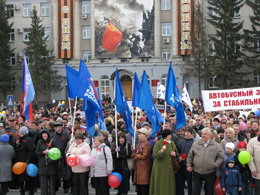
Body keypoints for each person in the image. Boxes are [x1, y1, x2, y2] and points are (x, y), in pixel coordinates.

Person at [186, 127, 224, 195]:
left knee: (209, 191)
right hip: (197, 171)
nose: (203, 135)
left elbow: (220, 157)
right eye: (202, 134)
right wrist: (188, 165)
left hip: (210, 172)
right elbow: (190, 155)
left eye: (205, 134)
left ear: (210, 135)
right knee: (195, 191)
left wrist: (215, 164)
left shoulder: (216, 146)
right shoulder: (195, 144)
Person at [149, 129, 179, 195]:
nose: (170, 136)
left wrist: (175, 154)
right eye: (169, 135)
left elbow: (177, 153)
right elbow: (155, 155)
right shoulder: (158, 143)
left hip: (169, 167)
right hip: (160, 167)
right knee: (161, 183)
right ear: (165, 136)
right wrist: (162, 151)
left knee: (169, 184)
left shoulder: (172, 143)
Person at [35, 130, 59, 195]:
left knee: (52, 184)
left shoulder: (53, 142)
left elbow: (57, 152)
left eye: (45, 134)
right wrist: (43, 152)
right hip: (42, 165)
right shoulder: (40, 142)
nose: (44, 136)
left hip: (51, 164)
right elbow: (37, 153)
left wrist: (50, 152)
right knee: (43, 184)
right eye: (43, 134)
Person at [52, 119, 70, 193]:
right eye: (54, 127)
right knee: (55, 172)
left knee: (65, 172)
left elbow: (67, 145)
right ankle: (56, 186)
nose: (55, 128)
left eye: (56, 127)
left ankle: (66, 187)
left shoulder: (65, 134)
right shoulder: (53, 135)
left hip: (63, 156)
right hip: (55, 156)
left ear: (60, 127)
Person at [16, 126, 35, 195]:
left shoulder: (28, 139)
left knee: (28, 178)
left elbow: (31, 150)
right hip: (20, 161)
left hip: (26, 162)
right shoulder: (21, 140)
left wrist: (28, 160)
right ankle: (22, 191)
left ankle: (30, 191)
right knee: (20, 177)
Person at [131, 128, 151, 195]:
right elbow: (137, 152)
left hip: (144, 166)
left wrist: (136, 156)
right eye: (139, 134)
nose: (139, 135)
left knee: (143, 185)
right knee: (139, 186)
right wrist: (133, 151)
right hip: (138, 165)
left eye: (140, 134)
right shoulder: (139, 143)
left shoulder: (146, 144)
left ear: (145, 135)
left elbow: (145, 155)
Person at [176, 126, 194, 195]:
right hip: (182, 165)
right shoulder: (181, 142)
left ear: (192, 133)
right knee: (180, 183)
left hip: (189, 166)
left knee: (190, 184)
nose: (187, 134)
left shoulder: (194, 142)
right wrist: (179, 157)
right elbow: (178, 151)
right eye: (186, 132)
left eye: (189, 132)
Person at [247, 122, 260, 194]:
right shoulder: (252, 142)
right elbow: (249, 156)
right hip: (257, 173)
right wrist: (253, 169)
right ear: (257, 132)